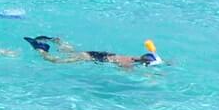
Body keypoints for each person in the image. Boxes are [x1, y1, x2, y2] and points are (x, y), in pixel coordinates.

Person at [25, 36, 162, 69]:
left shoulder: (134, 58)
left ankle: (58, 41)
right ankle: (41, 48)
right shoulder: (127, 64)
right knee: (54, 61)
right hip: (90, 57)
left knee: (72, 52)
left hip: (96, 54)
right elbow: (124, 70)